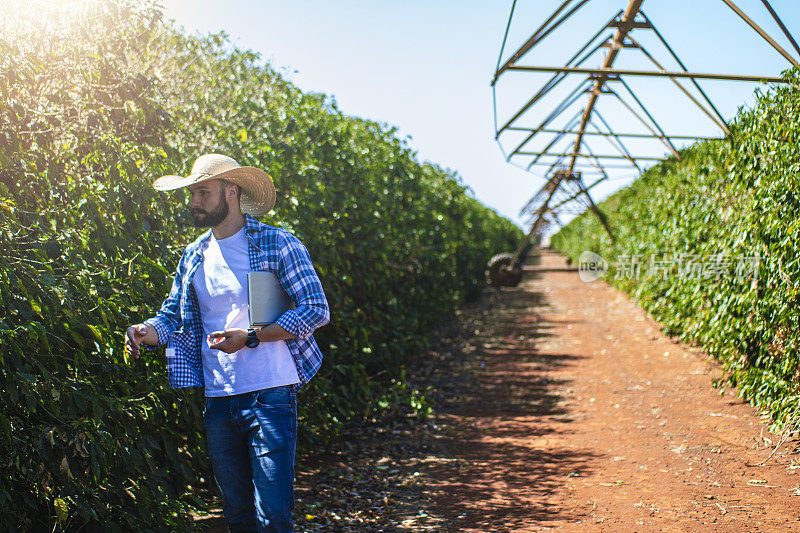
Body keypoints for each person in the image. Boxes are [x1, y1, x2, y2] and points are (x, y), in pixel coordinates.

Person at [124, 153, 330, 532]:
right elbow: (172, 318)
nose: (194, 202)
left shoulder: (277, 243)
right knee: (238, 516)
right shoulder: (194, 255)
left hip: (270, 393)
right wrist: (144, 331)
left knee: (272, 518)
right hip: (219, 399)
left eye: (203, 192)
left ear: (231, 192)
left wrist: (250, 337)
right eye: (192, 194)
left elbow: (316, 309)